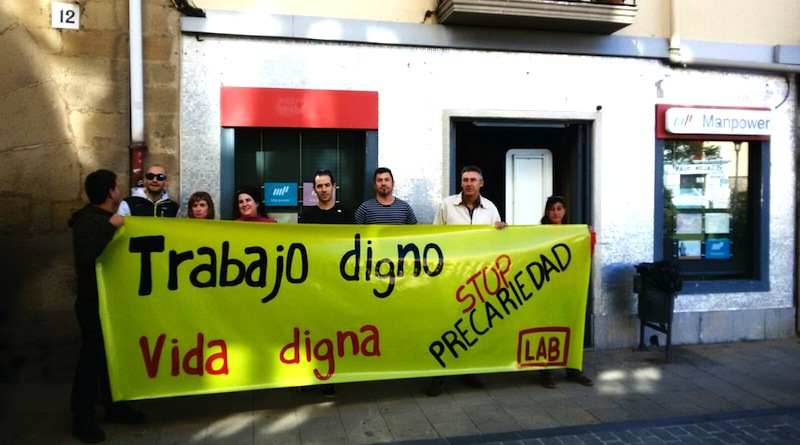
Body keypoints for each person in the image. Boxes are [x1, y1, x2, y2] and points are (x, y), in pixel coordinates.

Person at [68, 169, 145, 443]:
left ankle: (114, 406)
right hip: (94, 303)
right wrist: (110, 227)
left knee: (112, 357)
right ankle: (82, 418)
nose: (118, 189)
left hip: (111, 302)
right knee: (91, 360)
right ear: (111, 192)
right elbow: (87, 256)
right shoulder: (91, 222)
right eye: (116, 186)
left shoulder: (100, 219)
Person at [427, 165, 507, 397]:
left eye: (473, 180)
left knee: (472, 325)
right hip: (451, 276)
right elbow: (434, 238)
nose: (469, 183)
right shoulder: (446, 205)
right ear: (460, 183)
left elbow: (498, 242)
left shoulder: (490, 208)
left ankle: (468, 371)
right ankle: (439, 375)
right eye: (465, 180)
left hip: (478, 278)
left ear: (481, 183)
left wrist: (502, 229)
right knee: (445, 325)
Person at [299, 170, 353, 397]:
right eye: (319, 186)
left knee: (333, 330)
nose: (323, 189)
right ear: (314, 189)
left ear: (334, 186)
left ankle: (331, 377)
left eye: (327, 185)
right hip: (313, 283)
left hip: (339, 284)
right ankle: (306, 374)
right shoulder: (307, 216)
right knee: (311, 329)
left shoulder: (347, 215)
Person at [538, 195, 594, 388]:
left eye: (559, 208)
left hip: (568, 288)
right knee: (546, 329)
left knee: (571, 326)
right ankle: (546, 371)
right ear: (547, 212)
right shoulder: (538, 234)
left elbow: (586, 255)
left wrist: (588, 236)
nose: (556, 212)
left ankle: (573, 369)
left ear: (565, 211)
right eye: (552, 209)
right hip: (546, 289)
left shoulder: (573, 234)